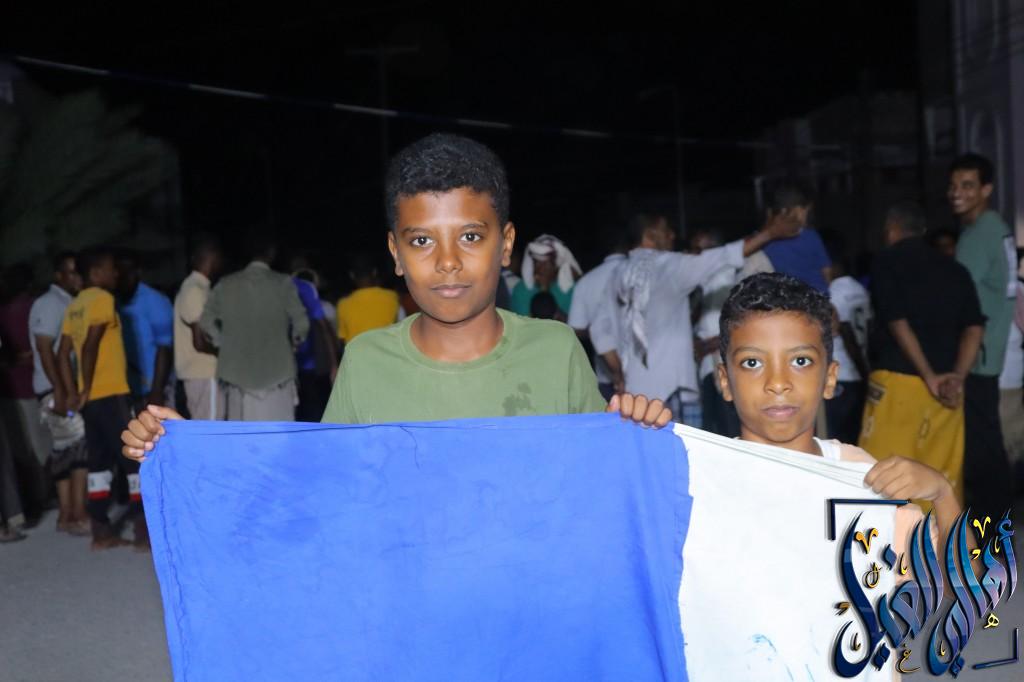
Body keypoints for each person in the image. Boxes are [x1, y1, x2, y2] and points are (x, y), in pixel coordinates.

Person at [122, 133, 671, 460]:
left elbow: (598, 477)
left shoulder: (555, 349)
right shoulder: (367, 360)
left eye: (470, 237)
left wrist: (635, 431)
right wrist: (189, 449)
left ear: (506, 245)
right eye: (422, 241)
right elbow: (317, 480)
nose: (448, 261)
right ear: (396, 253)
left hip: (527, 601)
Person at [716, 272, 963, 548]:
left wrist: (943, 494)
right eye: (752, 363)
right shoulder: (701, 480)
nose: (778, 383)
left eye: (800, 361)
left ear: (830, 378)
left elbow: (967, 575)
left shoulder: (862, 478)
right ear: (725, 381)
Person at [603, 210, 802, 424]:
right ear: (650, 235)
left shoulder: (616, 274)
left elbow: (601, 334)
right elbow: (722, 256)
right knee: (685, 445)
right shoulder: (668, 265)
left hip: (633, 395)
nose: (672, 235)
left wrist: (618, 375)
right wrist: (769, 233)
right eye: (666, 230)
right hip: (672, 390)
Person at [858, 202, 984, 507]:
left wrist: (928, 375)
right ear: (923, 230)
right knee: (940, 480)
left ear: (891, 230)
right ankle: (938, 538)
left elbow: (896, 321)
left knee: (883, 476)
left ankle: (889, 538)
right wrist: (957, 377)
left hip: (897, 383)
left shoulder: (887, 261)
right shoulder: (956, 270)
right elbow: (974, 328)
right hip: (947, 391)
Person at [57, 247, 144, 549]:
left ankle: (101, 530)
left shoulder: (75, 305)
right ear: (95, 273)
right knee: (134, 459)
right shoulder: (103, 299)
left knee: (100, 463)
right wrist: (84, 389)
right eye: (111, 268)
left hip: (90, 401)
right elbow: (90, 345)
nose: (116, 273)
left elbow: (62, 354)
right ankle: (144, 531)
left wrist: (74, 392)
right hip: (110, 392)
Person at [949, 153, 1019, 522]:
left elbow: (959, 297)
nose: (956, 193)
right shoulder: (993, 228)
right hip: (990, 349)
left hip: (979, 352)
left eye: (967, 185)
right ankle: (995, 520)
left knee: (982, 448)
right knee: (987, 444)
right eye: (953, 185)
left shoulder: (980, 233)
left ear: (986, 189)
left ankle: (990, 525)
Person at [198, 236, 309, 421]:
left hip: (236, 378)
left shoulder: (226, 284)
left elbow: (206, 321)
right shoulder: (283, 283)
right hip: (278, 376)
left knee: (243, 435)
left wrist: (223, 343)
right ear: (271, 253)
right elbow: (302, 324)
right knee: (278, 435)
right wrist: (294, 344)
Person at [29, 251, 89, 535]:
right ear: (58, 275)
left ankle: (67, 514)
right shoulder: (50, 303)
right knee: (79, 447)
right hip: (55, 388)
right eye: (72, 272)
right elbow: (44, 349)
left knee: (66, 448)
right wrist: (60, 391)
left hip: (59, 387)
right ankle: (77, 514)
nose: (78, 278)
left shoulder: (65, 301)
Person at [0, 262, 50, 530]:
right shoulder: (34, 307)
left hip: (12, 388)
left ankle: (33, 500)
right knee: (43, 445)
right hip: (34, 385)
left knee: (23, 449)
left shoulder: (6, 311)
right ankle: (44, 496)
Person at [689, 228, 741, 437]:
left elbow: (741, 325)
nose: (693, 255)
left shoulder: (726, 276)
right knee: (712, 428)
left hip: (722, 362)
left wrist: (707, 345)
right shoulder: (701, 281)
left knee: (728, 429)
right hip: (707, 367)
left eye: (698, 250)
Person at [822, 233, 871, 444]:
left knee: (834, 438)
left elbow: (846, 331)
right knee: (852, 437)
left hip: (841, 373)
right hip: (856, 374)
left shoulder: (834, 292)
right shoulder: (860, 290)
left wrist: (863, 370)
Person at [567, 233, 627, 399]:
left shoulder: (586, 282)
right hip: (647, 376)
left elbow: (576, 329)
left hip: (606, 376)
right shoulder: (640, 275)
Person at [174, 237, 224, 420]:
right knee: (212, 429)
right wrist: (228, 352)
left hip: (201, 374)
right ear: (213, 257)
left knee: (209, 426)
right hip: (204, 372)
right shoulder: (195, 290)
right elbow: (200, 342)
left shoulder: (198, 287)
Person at [759, 181, 831, 293]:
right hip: (811, 296)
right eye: (805, 209)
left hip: (797, 297)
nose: (807, 214)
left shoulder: (762, 240)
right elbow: (827, 272)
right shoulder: (810, 235)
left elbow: (826, 270)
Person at [293, 266, 339, 422]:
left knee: (301, 411)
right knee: (316, 410)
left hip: (298, 365)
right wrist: (334, 364)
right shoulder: (325, 307)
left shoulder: (286, 298)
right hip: (313, 365)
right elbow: (329, 332)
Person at [336, 251, 401, 344]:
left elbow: (342, 339)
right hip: (386, 351)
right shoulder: (392, 297)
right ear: (374, 272)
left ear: (352, 275)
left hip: (357, 353)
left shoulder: (343, 304)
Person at [510, 235, 581, 317]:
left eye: (545, 263)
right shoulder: (521, 289)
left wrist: (545, 289)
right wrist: (543, 289)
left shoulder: (569, 290)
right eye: (536, 262)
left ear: (556, 265)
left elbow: (573, 321)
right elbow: (521, 322)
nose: (540, 268)